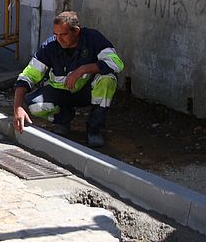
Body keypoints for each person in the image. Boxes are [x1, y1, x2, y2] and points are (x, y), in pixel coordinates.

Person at [13, 11, 124, 148]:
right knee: (35, 106)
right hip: (61, 93)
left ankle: (94, 129)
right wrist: (17, 107)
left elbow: (116, 63)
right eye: (56, 34)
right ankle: (63, 119)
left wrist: (83, 69)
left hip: (87, 93)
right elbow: (27, 75)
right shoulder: (50, 46)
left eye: (64, 34)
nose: (59, 39)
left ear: (76, 31)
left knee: (108, 79)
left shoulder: (93, 39)